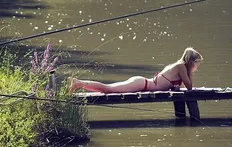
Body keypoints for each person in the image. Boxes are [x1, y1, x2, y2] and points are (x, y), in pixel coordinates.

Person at [68, 47, 203, 94]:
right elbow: (190, 87)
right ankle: (78, 83)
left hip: (142, 83)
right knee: (107, 89)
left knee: (107, 89)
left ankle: (78, 83)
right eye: (196, 64)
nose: (197, 67)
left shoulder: (179, 67)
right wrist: (190, 70)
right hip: (142, 84)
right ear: (191, 62)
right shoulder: (181, 66)